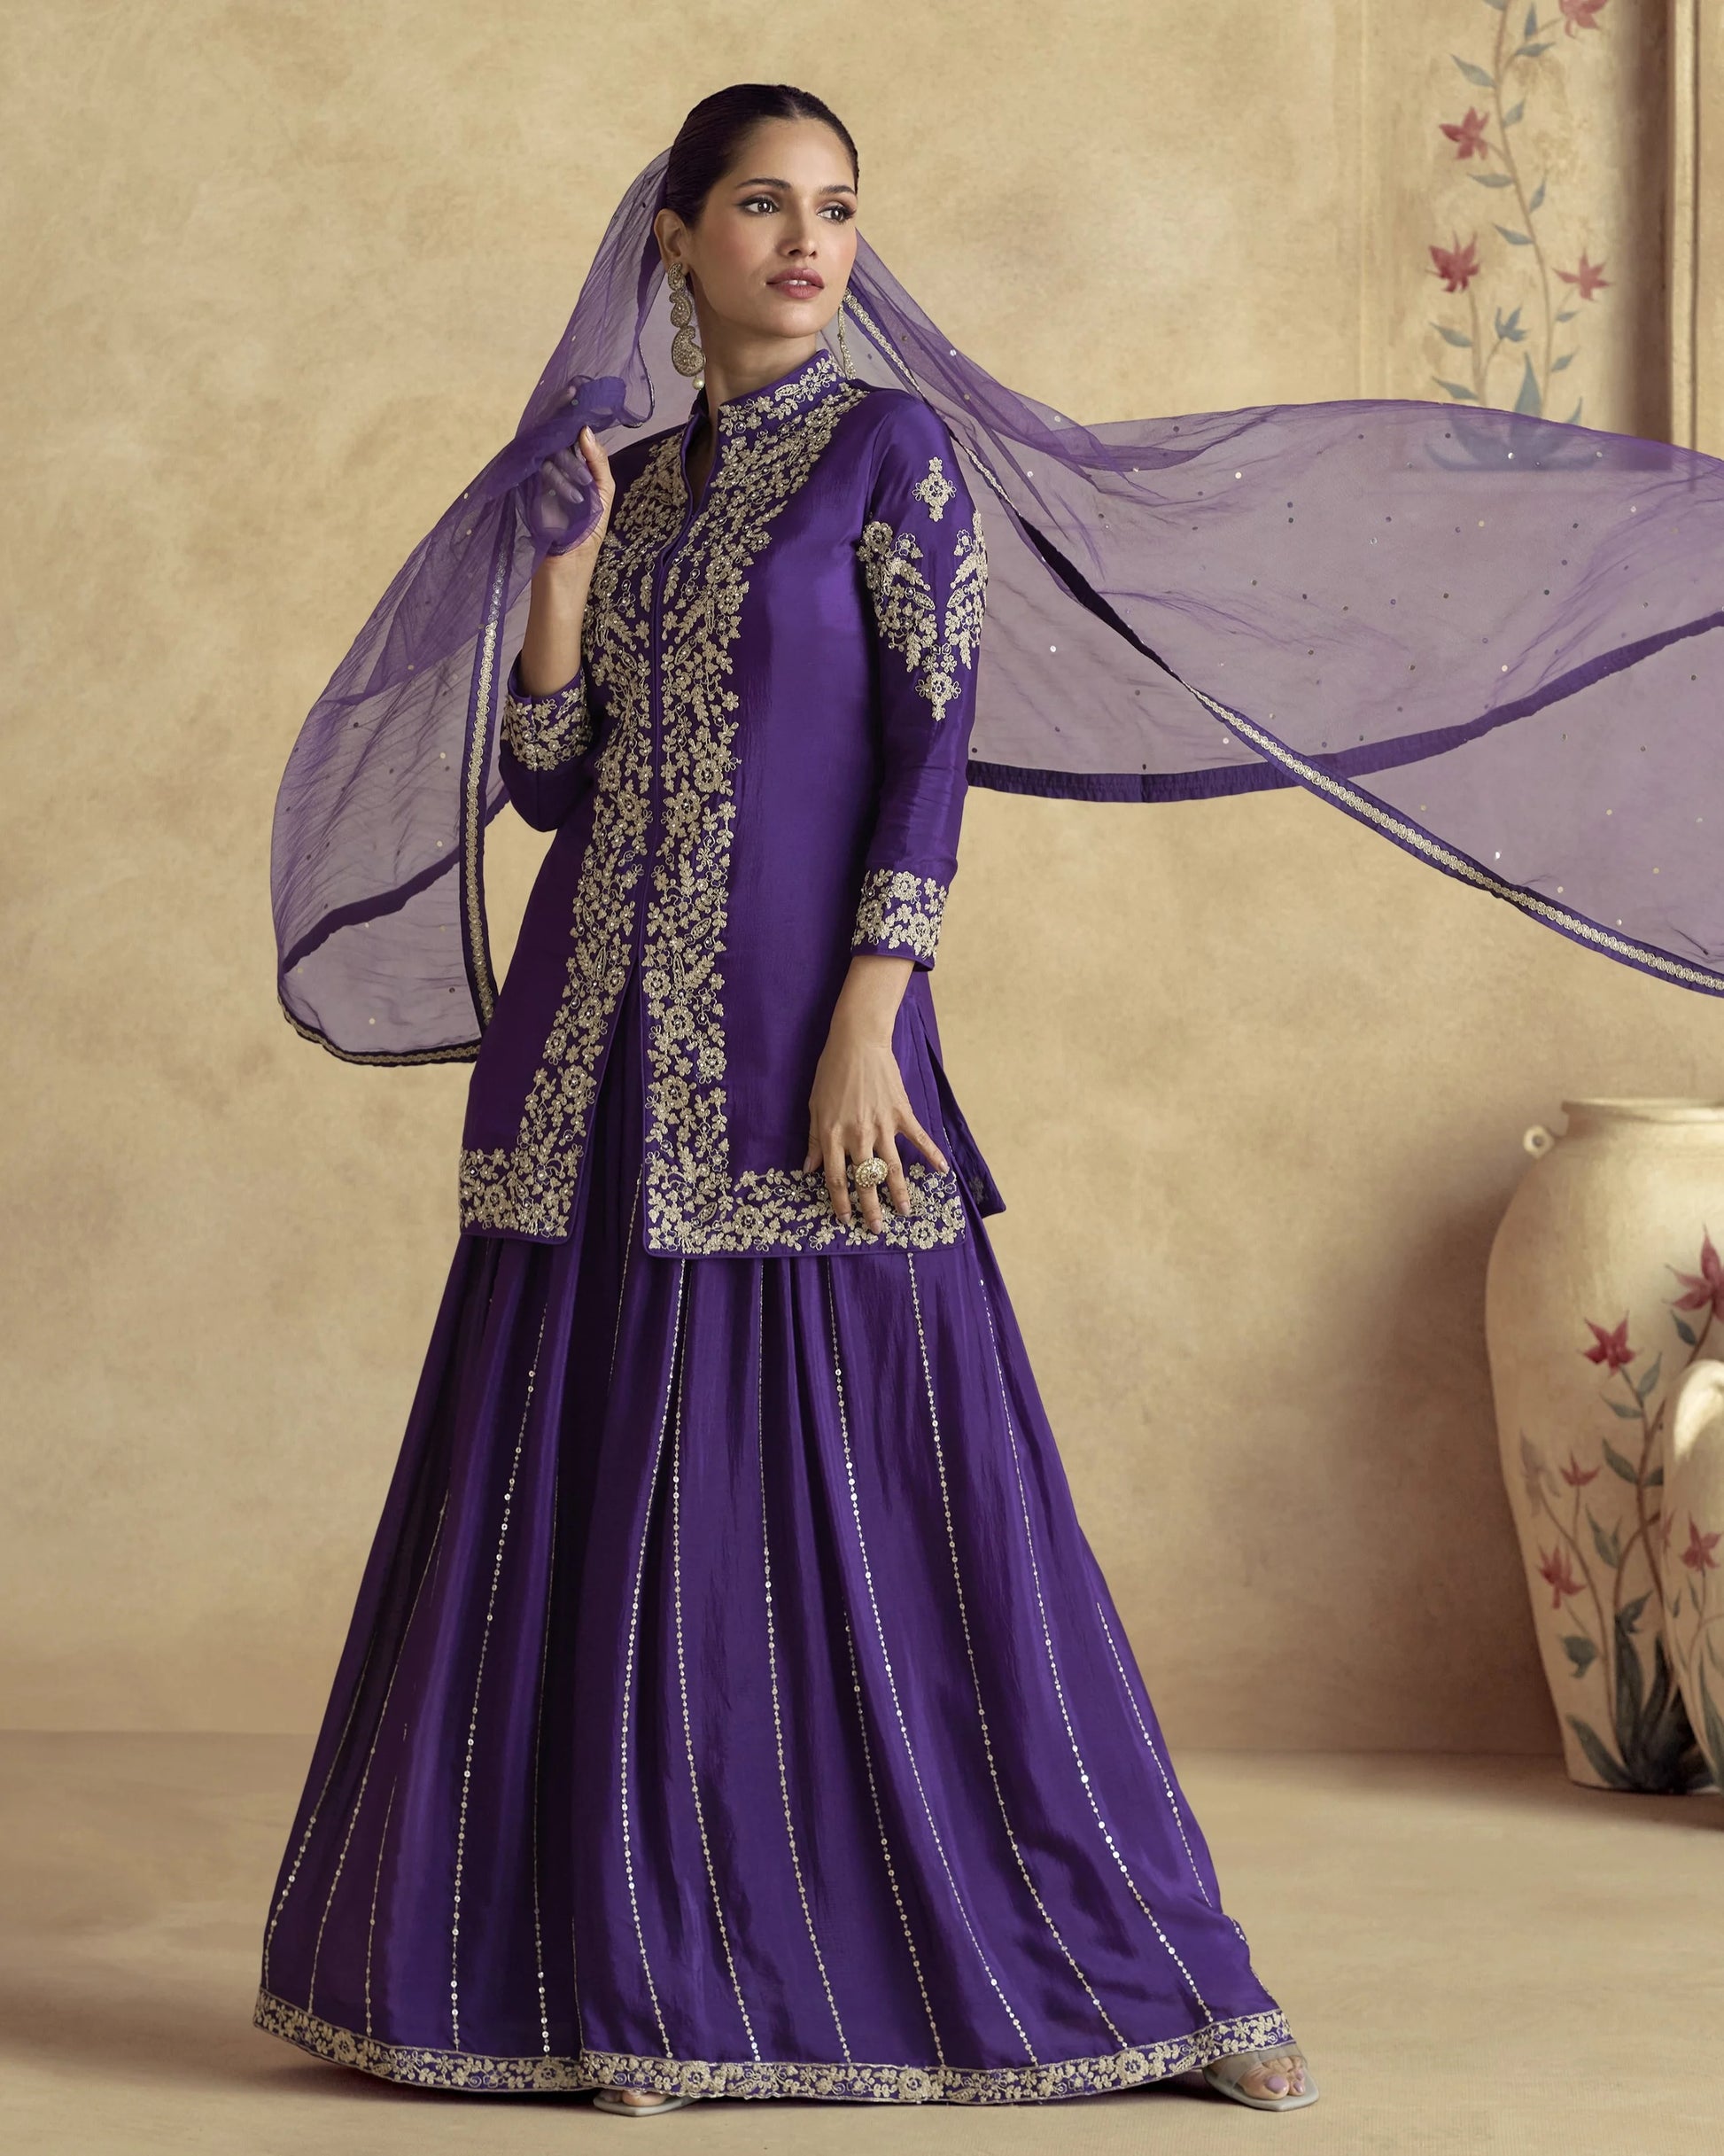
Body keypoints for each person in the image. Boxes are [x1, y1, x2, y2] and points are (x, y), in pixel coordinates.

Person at [252, 83, 1316, 2115]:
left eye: (834, 209)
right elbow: (558, 786)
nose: (808, 242)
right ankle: (608, 1985)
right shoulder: (632, 484)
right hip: (589, 1068)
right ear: (677, 237)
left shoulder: (891, 454)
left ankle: (1155, 1975)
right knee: (584, 1517)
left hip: (801, 1044)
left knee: (928, 1504)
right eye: (763, 205)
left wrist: (872, 1014)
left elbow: (934, 737)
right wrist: (555, 586)